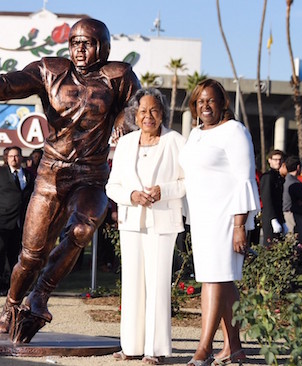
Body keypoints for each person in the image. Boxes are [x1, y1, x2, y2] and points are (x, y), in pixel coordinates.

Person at [0, 17, 139, 343]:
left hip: (90, 174)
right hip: (52, 173)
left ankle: (40, 295)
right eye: (75, 42)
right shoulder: (50, 70)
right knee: (30, 256)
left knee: (84, 227)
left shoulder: (118, 76)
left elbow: (137, 103)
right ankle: (11, 305)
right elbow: (6, 85)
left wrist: (126, 117)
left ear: (104, 46)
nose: (80, 48)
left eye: (88, 42)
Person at [179, 79, 259, 366]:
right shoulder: (195, 134)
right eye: (200, 101)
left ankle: (204, 348)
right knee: (223, 281)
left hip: (226, 218)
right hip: (202, 219)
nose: (205, 106)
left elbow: (244, 180)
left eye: (211, 100)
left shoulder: (234, 131)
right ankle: (234, 347)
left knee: (213, 279)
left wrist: (240, 225)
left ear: (223, 102)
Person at [105, 87, 185, 364]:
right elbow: (112, 185)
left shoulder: (175, 141)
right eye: (142, 111)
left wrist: (165, 190)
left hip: (163, 222)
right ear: (134, 115)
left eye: (153, 110)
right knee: (132, 283)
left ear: (162, 113)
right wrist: (131, 196)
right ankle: (130, 346)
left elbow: (189, 181)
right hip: (131, 221)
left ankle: (156, 349)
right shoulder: (125, 144)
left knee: (158, 283)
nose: (148, 116)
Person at [0, 146, 34, 296]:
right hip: (1, 221)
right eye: (11, 156)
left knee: (15, 256)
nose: (14, 158)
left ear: (21, 157)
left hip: (20, 222)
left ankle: (13, 287)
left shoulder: (28, 176)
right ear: (7, 158)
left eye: (17, 156)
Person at [282, 156, 302, 244]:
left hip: (285, 214)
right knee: (294, 243)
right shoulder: (296, 183)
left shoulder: (284, 180)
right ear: (298, 167)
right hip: (294, 216)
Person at [260, 149, 287, 244]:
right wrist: (273, 218)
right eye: (275, 159)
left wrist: (282, 220)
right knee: (270, 245)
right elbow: (267, 199)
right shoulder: (267, 177)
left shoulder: (278, 177)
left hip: (278, 215)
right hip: (270, 216)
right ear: (269, 160)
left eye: (280, 159)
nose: (278, 162)